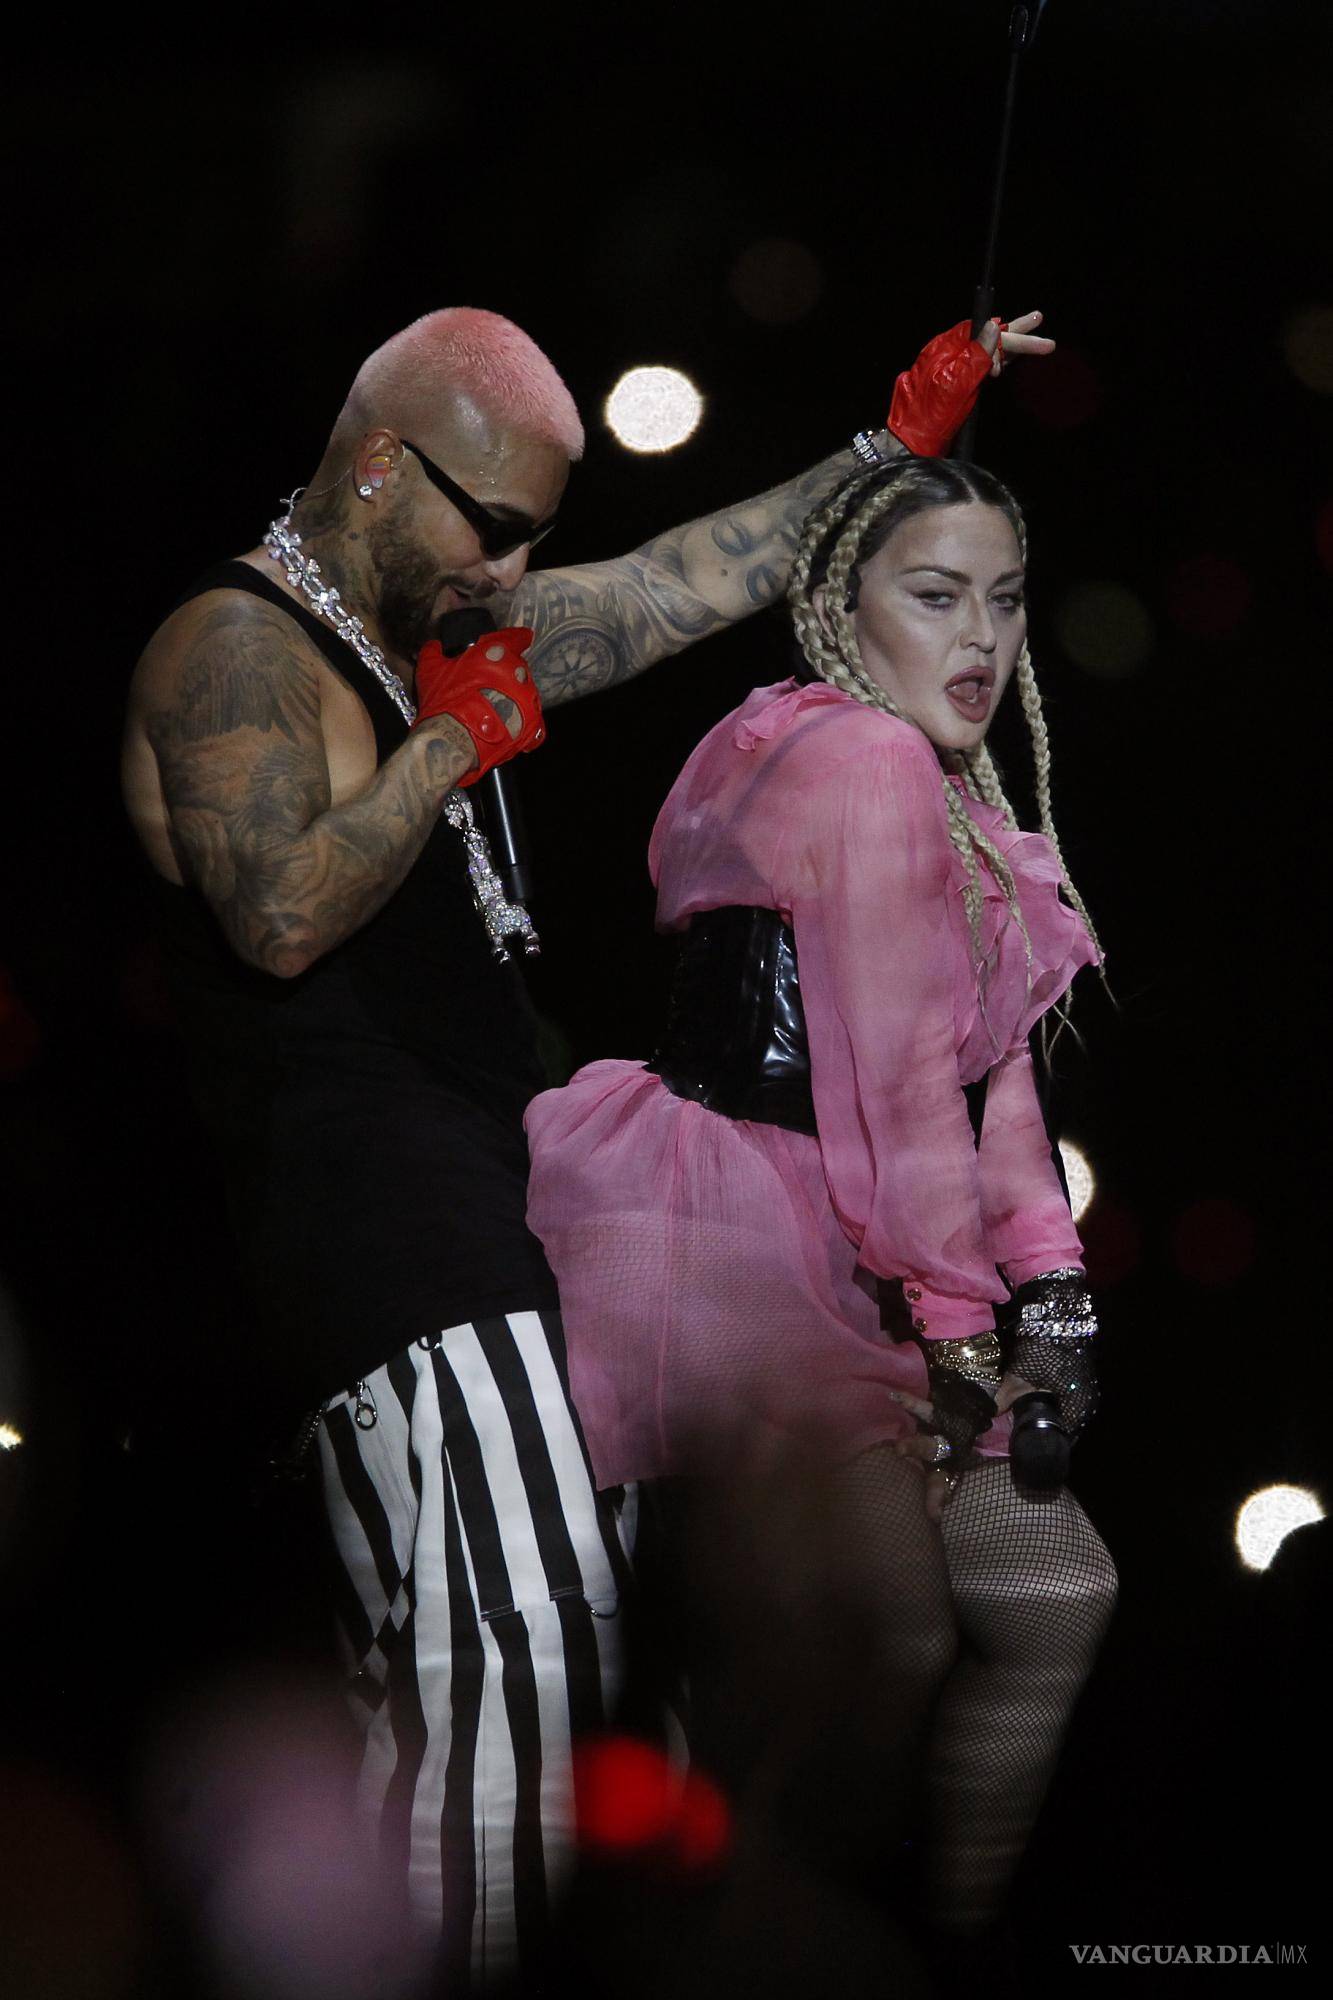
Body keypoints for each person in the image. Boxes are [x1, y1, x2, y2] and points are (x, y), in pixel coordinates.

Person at [120, 304, 1049, 1989]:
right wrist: (448, 743)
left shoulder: (435, 619)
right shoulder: (231, 644)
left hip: (487, 1221)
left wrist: (885, 453)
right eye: (493, 528)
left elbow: (680, 581)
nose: (514, 572)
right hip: (387, 1240)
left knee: (536, 1701)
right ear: (380, 468)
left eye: (533, 535)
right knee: (517, 1676)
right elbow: (276, 914)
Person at [524, 452, 1119, 1953]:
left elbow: (994, 1087)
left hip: (875, 1243)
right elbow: (899, 1082)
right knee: (882, 1632)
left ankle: (931, 1943)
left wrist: (1054, 1295)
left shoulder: (958, 794)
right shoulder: (853, 757)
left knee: (1052, 1593)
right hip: (736, 1228)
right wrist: (967, 1332)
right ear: (843, 609)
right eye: (936, 597)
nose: (979, 639)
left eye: (1004, 600)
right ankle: (718, 1945)